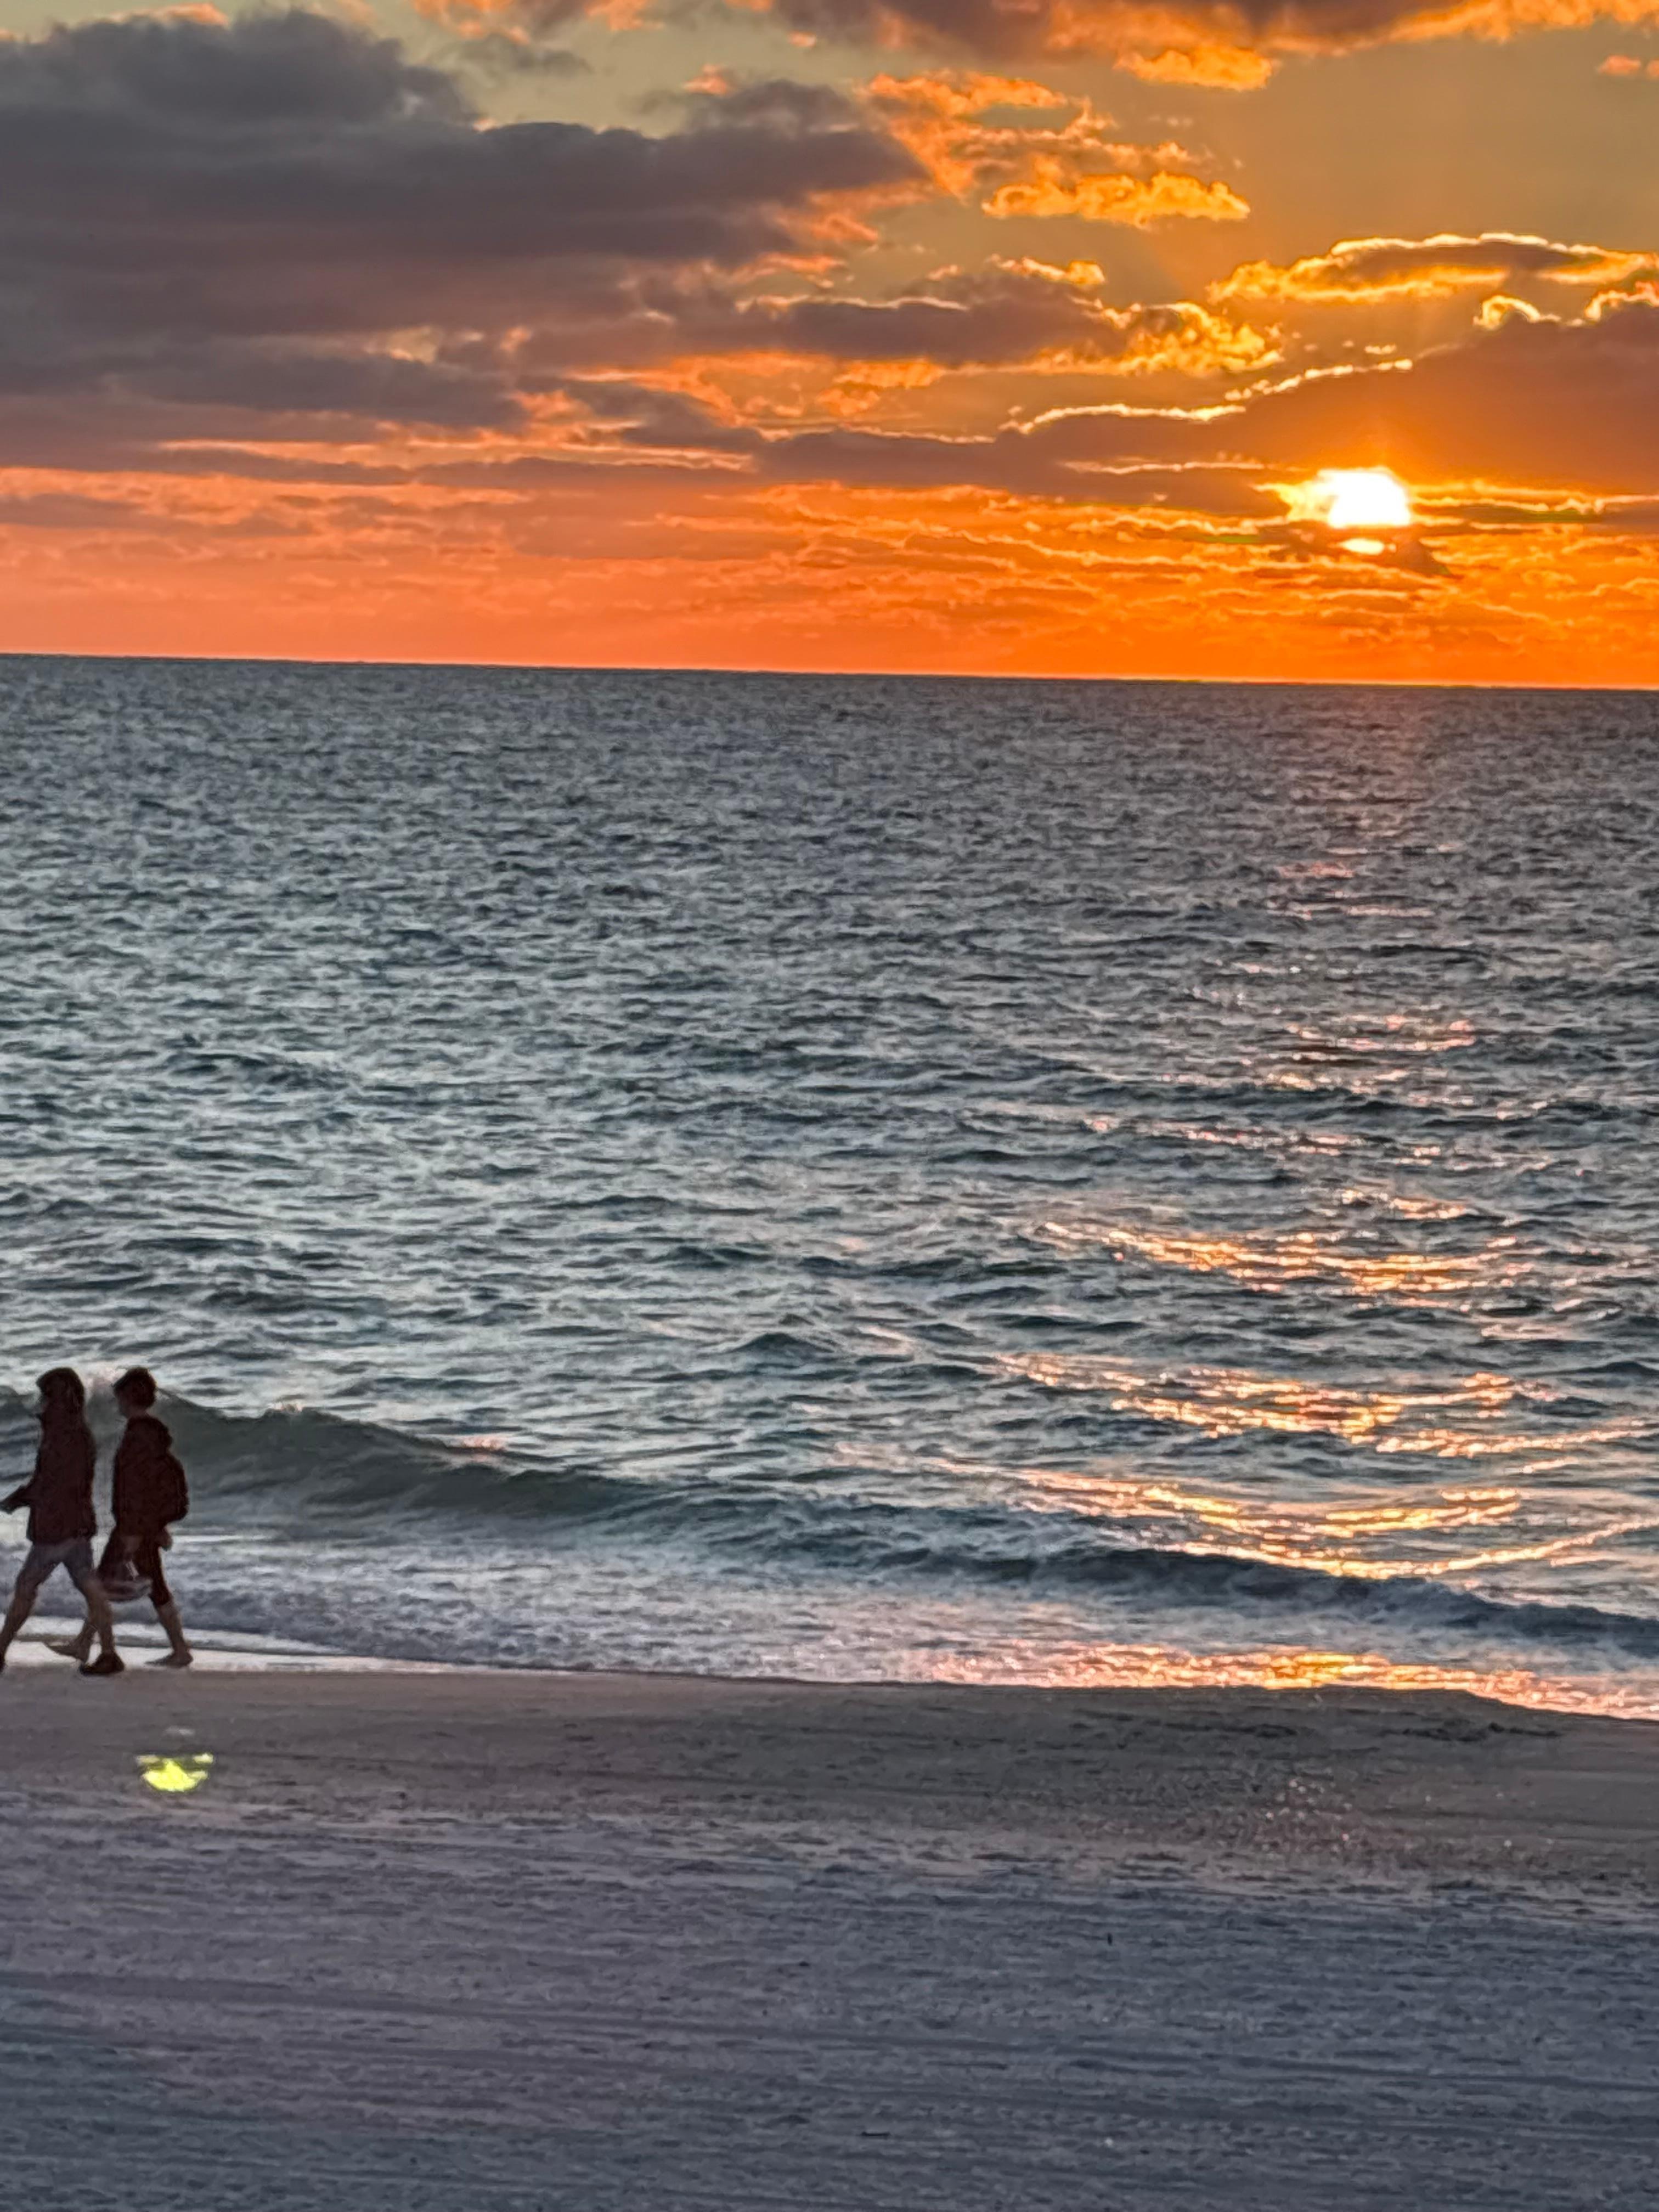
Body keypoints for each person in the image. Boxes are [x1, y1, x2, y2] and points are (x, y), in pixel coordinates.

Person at [55, 1367, 192, 1671]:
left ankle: (177, 1650)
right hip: (140, 1526)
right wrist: (157, 1527)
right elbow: (153, 1490)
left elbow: (136, 1490)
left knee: (112, 1585)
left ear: (129, 1398)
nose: (116, 1403)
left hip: (133, 1528)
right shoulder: (152, 1435)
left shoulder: (139, 1437)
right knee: (116, 1584)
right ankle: (84, 1643)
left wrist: (135, 1533)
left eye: (119, 1398)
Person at [0, 1367, 123, 1675]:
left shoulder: (62, 1436)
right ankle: (106, 1651)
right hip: (77, 1524)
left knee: (27, 1585)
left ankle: (0, 1651)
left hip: (57, 1528)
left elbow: (49, 1483)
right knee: (89, 1586)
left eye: (47, 1396)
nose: (42, 1402)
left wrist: (17, 1499)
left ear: (60, 1398)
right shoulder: (76, 1432)